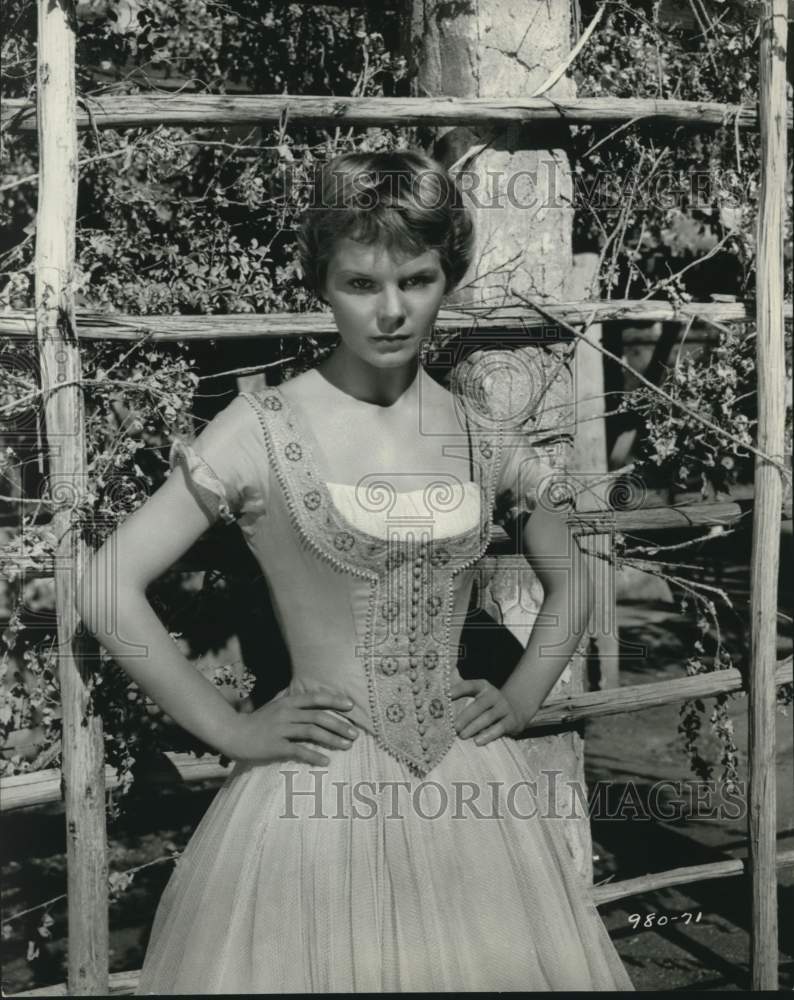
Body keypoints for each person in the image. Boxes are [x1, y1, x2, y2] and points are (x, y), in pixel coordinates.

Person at [76, 149, 634, 992]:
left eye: (416, 278)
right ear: (320, 283)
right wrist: (229, 729)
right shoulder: (259, 427)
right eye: (360, 284)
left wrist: (520, 697)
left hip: (471, 804)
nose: (391, 311)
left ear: (449, 276)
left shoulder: (476, 434)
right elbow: (104, 587)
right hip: (310, 803)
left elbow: (575, 578)